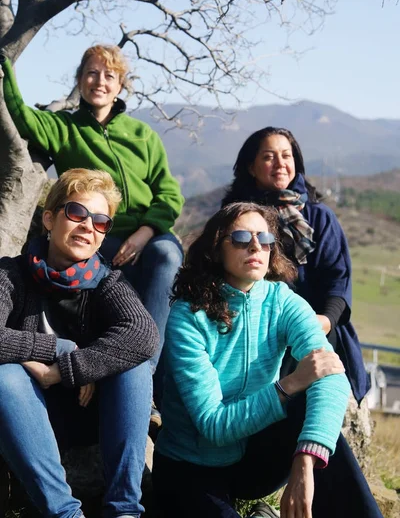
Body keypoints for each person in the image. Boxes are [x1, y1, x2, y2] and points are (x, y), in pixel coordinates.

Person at [152, 202, 383, 518]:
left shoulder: (281, 300)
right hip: (191, 468)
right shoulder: (188, 316)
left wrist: (306, 458)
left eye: (265, 238)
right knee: (299, 391)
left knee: (312, 417)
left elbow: (331, 376)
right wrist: (289, 384)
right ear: (216, 249)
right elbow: (213, 426)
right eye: (241, 237)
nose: (256, 246)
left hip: (254, 462)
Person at [0, 46, 184, 407]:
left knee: (165, 255)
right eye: (92, 73)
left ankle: (142, 377)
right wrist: (5, 61)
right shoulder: (64, 128)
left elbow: (169, 193)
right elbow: (21, 117)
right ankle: (106, 367)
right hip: (101, 233)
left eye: (109, 75)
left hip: (149, 231)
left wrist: (146, 232)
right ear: (80, 80)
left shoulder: (142, 135)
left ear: (120, 87)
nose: (100, 81)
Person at [0, 168, 159, 518]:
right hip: (29, 416)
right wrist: (58, 348)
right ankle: (65, 513)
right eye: (76, 213)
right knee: (6, 378)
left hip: (93, 416)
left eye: (101, 221)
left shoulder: (107, 282)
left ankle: (124, 510)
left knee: (134, 364)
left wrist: (68, 368)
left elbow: (144, 334)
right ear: (49, 218)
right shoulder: (10, 275)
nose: (88, 226)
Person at [221, 127, 369, 404]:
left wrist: (323, 321)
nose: (280, 164)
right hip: (256, 323)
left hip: (316, 324)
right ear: (251, 167)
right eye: (269, 157)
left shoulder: (319, 217)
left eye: (286, 156)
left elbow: (338, 279)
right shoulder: (239, 219)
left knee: (315, 387)